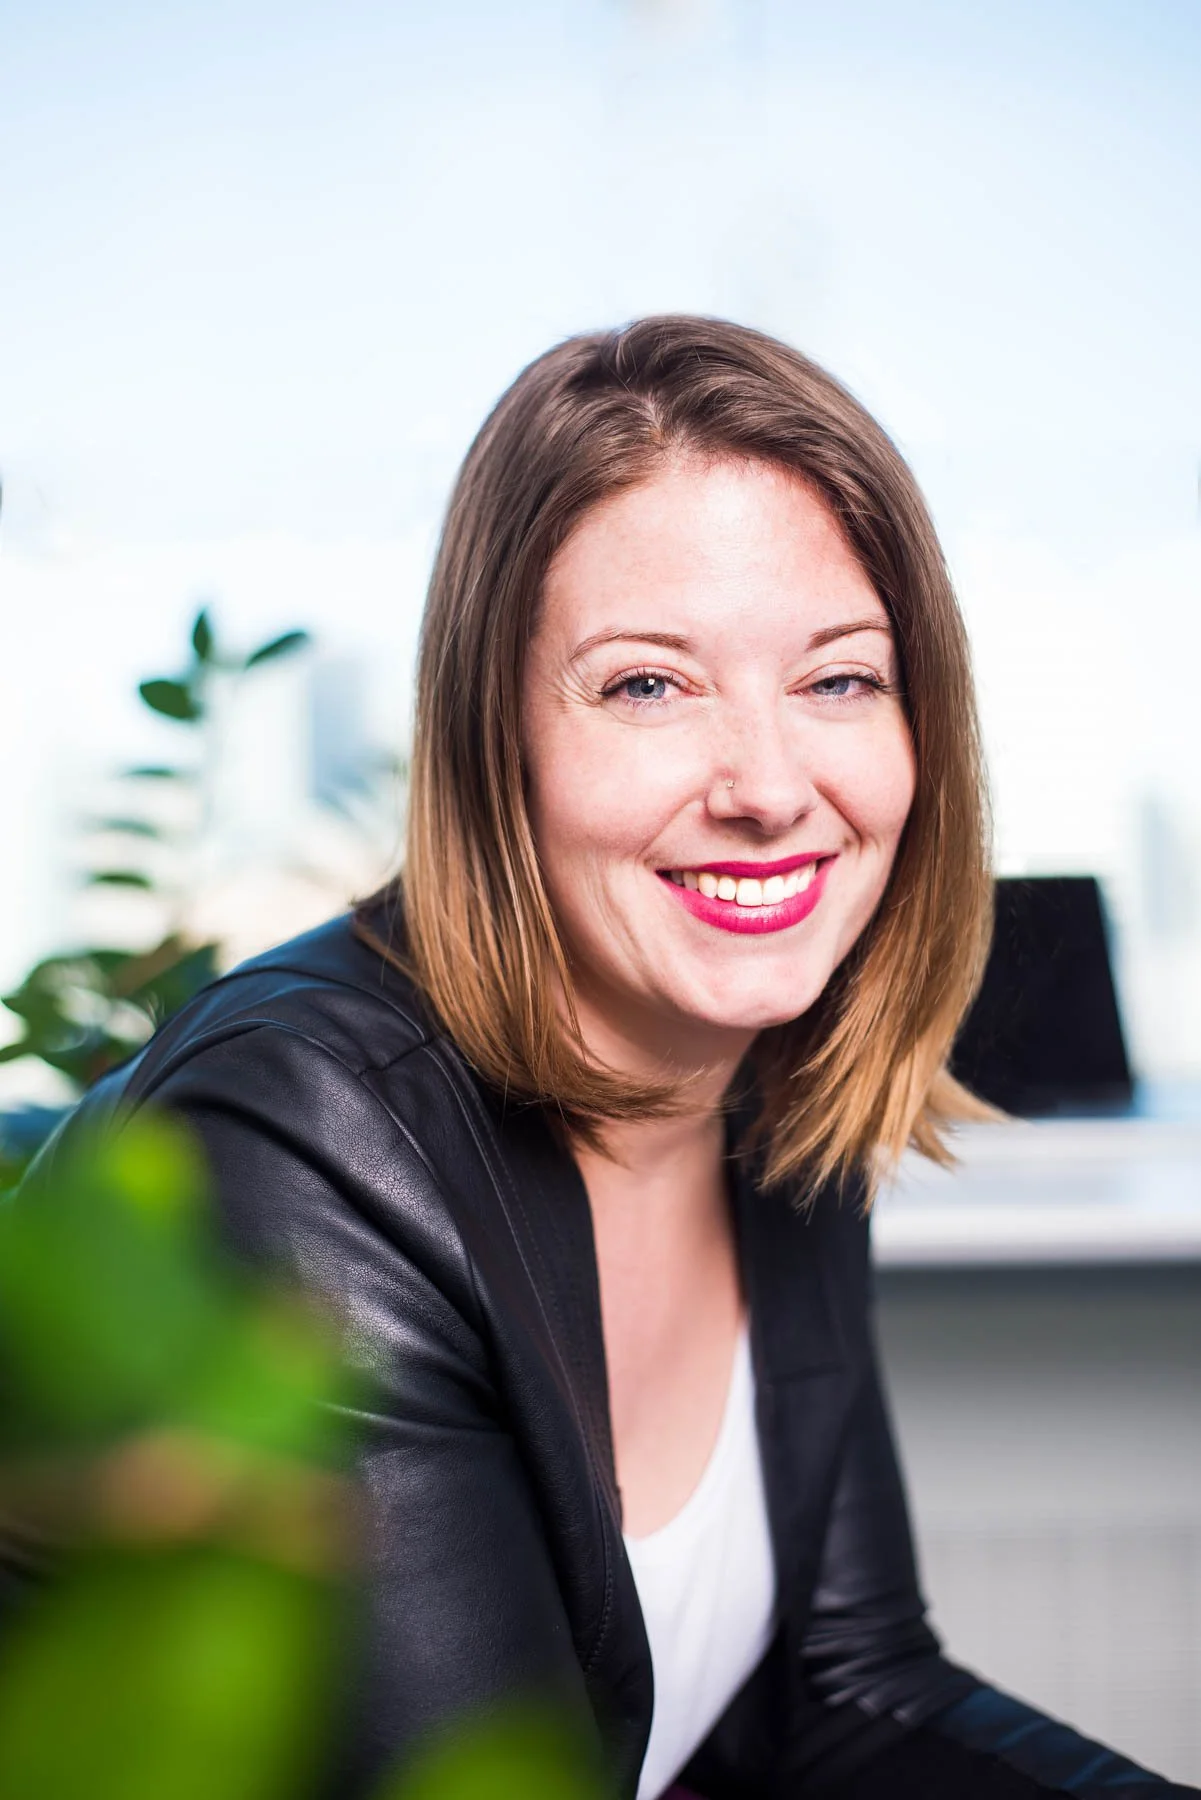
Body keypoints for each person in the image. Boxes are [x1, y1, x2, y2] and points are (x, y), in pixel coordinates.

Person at [37, 318, 1196, 1797]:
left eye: (841, 679)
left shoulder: (763, 1062)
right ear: (497, 735)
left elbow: (849, 1689)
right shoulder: (312, 1140)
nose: (769, 787)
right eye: (649, 685)